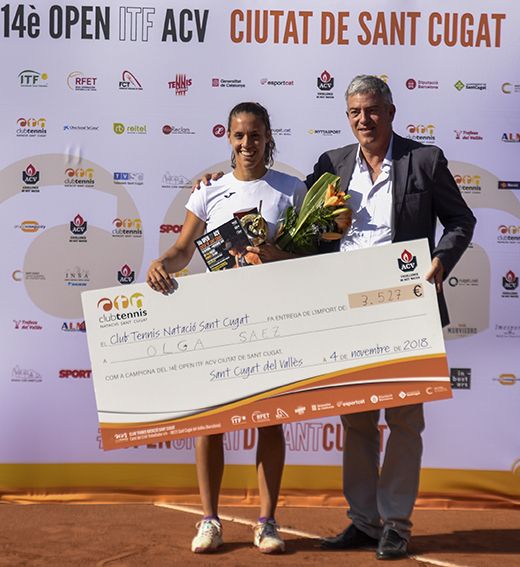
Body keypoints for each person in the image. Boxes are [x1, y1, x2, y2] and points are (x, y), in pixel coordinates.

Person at [195, 75, 476, 560]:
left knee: (404, 420)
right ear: (347, 117)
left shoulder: (424, 161)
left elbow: (460, 221)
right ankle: (364, 521)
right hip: (349, 309)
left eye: (372, 110)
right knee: (357, 419)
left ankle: (396, 522)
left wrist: (441, 260)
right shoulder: (332, 165)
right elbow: (282, 205)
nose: (364, 120)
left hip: (407, 305)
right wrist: (213, 184)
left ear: (390, 112)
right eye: (355, 112)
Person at [146, 101, 306, 555]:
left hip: (273, 320)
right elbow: (183, 249)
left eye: (255, 134)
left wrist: (278, 257)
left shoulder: (292, 190)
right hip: (218, 322)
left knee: (269, 422)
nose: (247, 143)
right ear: (228, 138)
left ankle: (267, 522)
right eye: (239, 135)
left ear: (268, 136)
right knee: (211, 423)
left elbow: (311, 259)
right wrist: (162, 264)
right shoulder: (208, 192)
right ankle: (210, 520)